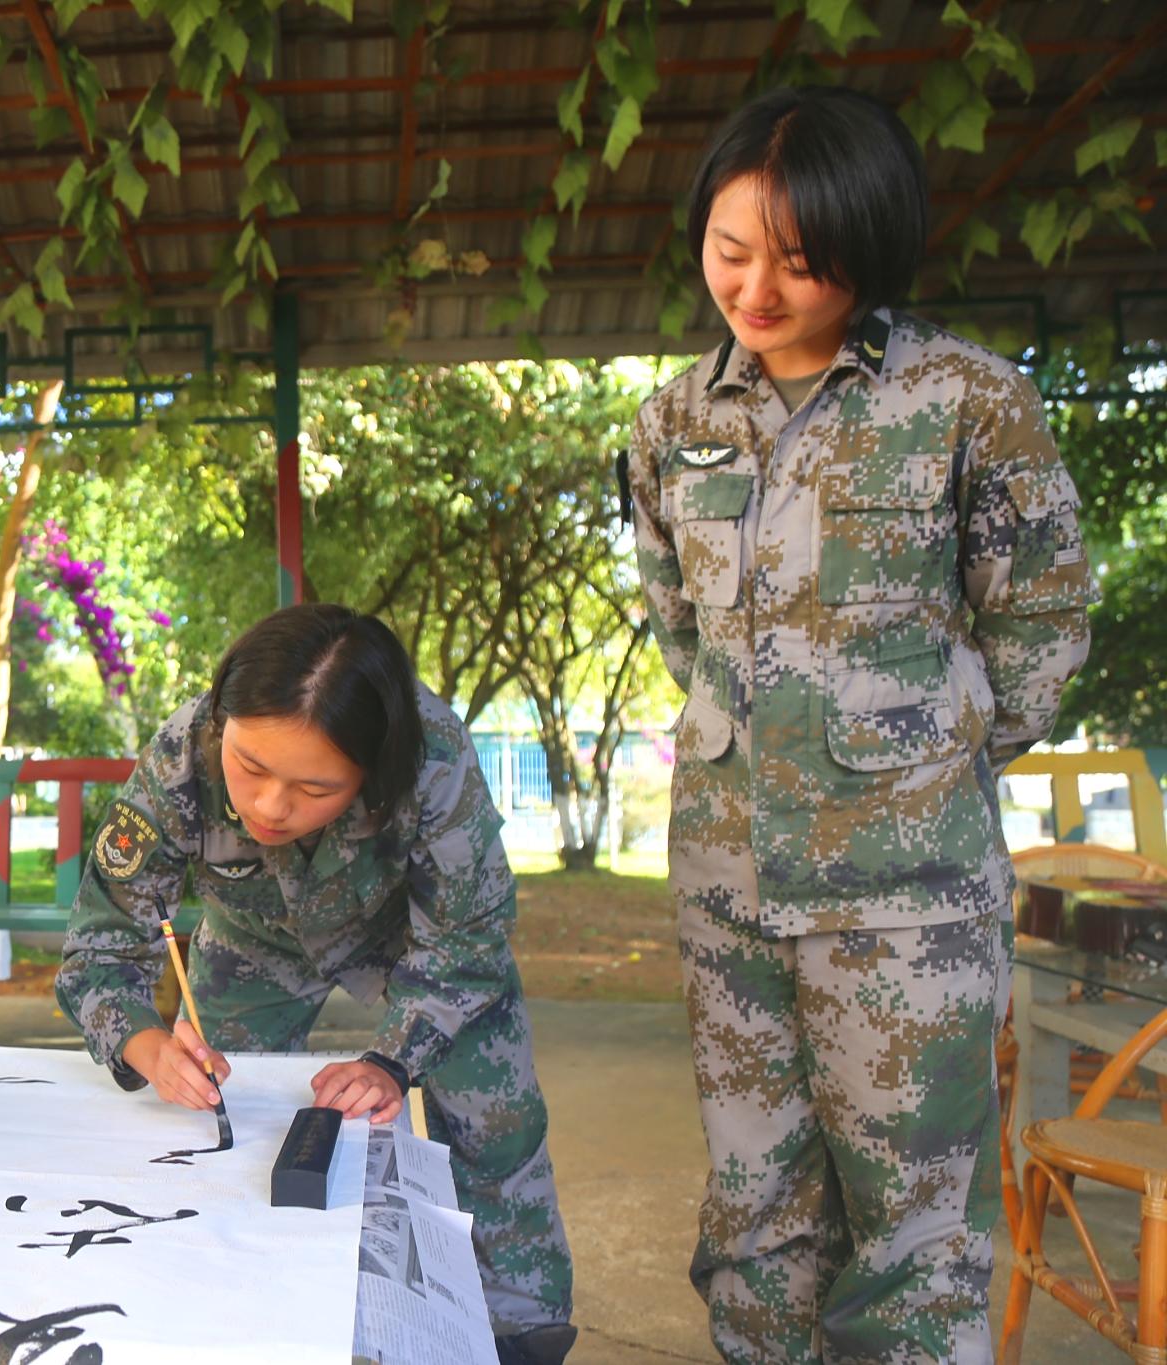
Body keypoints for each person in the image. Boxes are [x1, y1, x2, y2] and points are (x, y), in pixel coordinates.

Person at [626, 86, 1095, 1362]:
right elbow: (684, 628)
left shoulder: (964, 403)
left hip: (908, 905)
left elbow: (1041, 626)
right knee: (754, 1216)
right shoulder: (672, 422)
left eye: (800, 260)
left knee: (911, 1236)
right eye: (732, 251)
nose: (757, 289)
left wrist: (911, 771)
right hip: (728, 889)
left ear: (870, 250)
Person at [56, 603, 576, 1365]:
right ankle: (244, 1321)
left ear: (373, 769)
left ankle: (520, 1333)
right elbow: (99, 945)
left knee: (496, 1124)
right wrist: (145, 1042)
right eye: (251, 767)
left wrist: (392, 1059)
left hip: (414, 938)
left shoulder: (433, 760)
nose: (270, 806)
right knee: (224, 1128)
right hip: (255, 934)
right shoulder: (179, 757)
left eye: (314, 787)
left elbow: (469, 938)